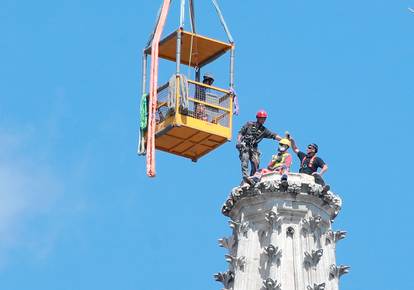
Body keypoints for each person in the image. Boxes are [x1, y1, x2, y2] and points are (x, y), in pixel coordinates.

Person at [236, 110, 282, 185]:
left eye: (264, 118)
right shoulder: (249, 124)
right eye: (262, 118)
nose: (263, 120)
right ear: (258, 118)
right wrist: (238, 142)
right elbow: (240, 133)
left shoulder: (264, 130)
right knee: (245, 159)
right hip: (245, 146)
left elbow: (273, 135)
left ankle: (252, 177)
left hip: (254, 148)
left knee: (256, 163)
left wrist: (283, 139)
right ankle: (245, 176)